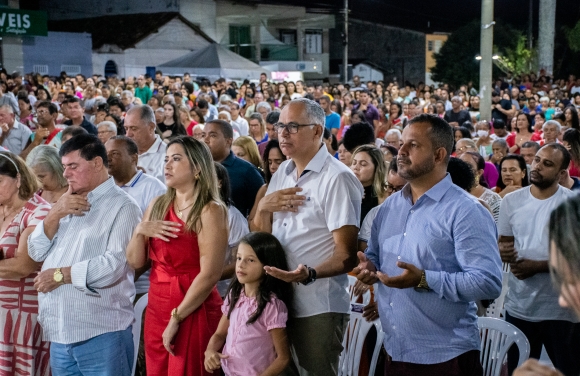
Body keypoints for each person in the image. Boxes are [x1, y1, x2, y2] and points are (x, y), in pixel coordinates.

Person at [354, 113, 502, 375]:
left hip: (446, 354)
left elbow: (487, 282)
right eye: (401, 143)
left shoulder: (466, 210)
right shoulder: (390, 206)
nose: (401, 151)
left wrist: (423, 279)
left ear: (438, 155)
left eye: (413, 145)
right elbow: (376, 255)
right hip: (396, 349)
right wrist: (371, 267)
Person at [252, 98, 362, 375]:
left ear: (316, 131)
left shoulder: (336, 177)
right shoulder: (283, 173)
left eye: (293, 126)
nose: (284, 133)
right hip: (279, 300)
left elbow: (346, 255)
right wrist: (264, 207)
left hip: (317, 305)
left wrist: (308, 273)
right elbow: (262, 237)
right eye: (280, 126)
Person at [28, 134, 142, 375]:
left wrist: (59, 275)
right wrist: (53, 214)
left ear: (97, 163)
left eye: (73, 166)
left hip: (101, 333)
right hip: (60, 331)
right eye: (64, 167)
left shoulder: (123, 207)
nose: (66, 173)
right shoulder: (65, 203)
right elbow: (36, 252)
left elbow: (114, 265)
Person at [125, 136, 227, 376]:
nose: (167, 165)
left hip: (192, 305)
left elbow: (210, 274)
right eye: (166, 159)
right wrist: (140, 231)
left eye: (176, 159)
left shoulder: (210, 210)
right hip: (157, 303)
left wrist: (176, 318)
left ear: (198, 168)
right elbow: (135, 261)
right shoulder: (158, 204)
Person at [498, 143, 580, 375]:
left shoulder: (572, 204)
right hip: (520, 306)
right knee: (520, 371)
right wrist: (505, 252)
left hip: (561, 310)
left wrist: (538, 266)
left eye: (547, 163)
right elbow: (505, 240)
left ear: (562, 173)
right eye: (536, 160)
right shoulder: (511, 201)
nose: (537, 166)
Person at [204, 232, 292, 375]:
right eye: (239, 258)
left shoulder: (271, 306)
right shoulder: (234, 296)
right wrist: (210, 351)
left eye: (250, 260)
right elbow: (220, 334)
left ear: (268, 265)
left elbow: (283, 358)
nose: (241, 265)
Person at [0, 151, 51, 375]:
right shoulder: (2, 208)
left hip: (22, 315)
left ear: (18, 179)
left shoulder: (38, 212)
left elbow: (23, 266)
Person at [204, 119, 264, 217]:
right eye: (203, 135)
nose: (206, 140)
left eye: (212, 135)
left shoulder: (247, 171)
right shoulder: (198, 168)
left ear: (228, 141)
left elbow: (260, 208)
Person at [213, 162, 249, 297]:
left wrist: (208, 277)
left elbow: (239, 262)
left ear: (219, 182)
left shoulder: (232, 216)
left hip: (223, 293)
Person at [124, 105, 167, 183]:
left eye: (134, 128)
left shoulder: (167, 155)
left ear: (151, 127)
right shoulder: (123, 152)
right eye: (126, 129)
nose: (128, 134)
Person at [248, 140, 284, 226]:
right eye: (270, 162)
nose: (272, 167)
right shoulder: (264, 189)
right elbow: (251, 222)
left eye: (278, 162)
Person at [460, 152, 502, 223]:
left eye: (468, 166)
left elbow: (498, 230)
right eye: (460, 165)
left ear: (479, 173)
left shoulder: (493, 199)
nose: (462, 169)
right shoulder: (450, 195)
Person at [350, 144, 387, 226]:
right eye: (354, 163)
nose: (356, 167)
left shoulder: (383, 195)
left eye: (363, 164)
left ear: (377, 168)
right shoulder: (345, 190)